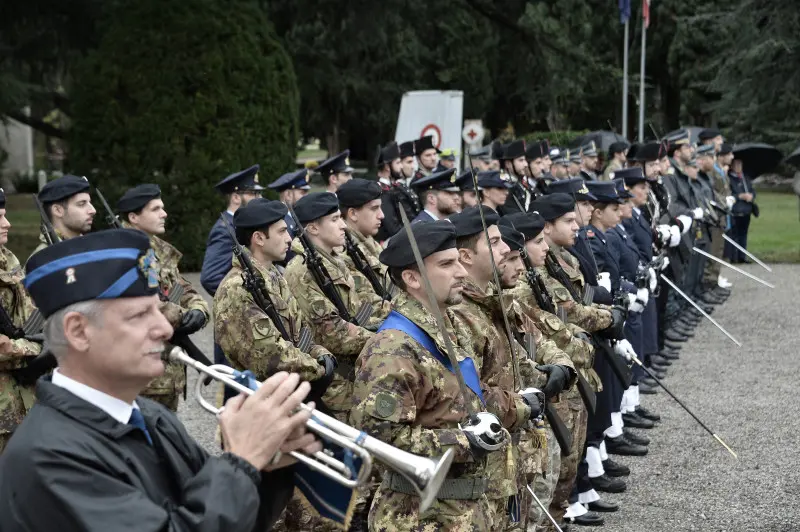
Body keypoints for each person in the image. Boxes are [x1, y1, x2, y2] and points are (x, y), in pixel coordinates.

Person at [0, 228, 318, 531]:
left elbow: (220, 515)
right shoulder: (47, 457)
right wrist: (242, 461)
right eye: (139, 315)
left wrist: (266, 468)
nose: (165, 330)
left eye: (158, 310)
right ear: (79, 331)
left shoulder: (152, 417)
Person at [349, 220, 503, 531]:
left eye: (459, 261)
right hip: (419, 516)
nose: (461, 272)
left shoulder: (448, 327)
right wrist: (464, 442)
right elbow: (380, 442)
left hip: (462, 510)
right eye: (447, 264)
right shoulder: (392, 349)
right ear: (412, 278)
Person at [448, 206, 573, 531]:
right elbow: (472, 392)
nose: (505, 250)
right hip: (494, 451)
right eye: (494, 242)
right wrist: (525, 398)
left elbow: (529, 347)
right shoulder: (461, 314)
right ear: (466, 256)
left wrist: (554, 369)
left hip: (520, 438)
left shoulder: (494, 300)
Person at [117, 184, 210, 411]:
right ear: (133, 217)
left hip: (167, 373)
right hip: (141, 375)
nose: (164, 214)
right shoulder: (121, 253)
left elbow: (182, 289)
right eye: (156, 209)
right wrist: (183, 315)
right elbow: (146, 306)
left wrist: (198, 309)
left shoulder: (159, 250)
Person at [284, 192, 374, 422]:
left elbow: (357, 309)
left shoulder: (334, 260)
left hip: (355, 369)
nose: (344, 225)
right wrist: (381, 339)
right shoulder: (302, 271)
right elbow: (330, 333)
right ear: (313, 229)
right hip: (335, 382)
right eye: (335, 219)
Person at [0, 188, 42, 453]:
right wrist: (37, 349)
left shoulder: (8, 259)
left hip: (21, 402)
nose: (8, 223)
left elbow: (30, 316)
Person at [200, 164, 265, 296]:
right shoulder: (224, 230)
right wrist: (243, 298)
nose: (260, 198)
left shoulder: (241, 226)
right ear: (236, 197)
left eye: (259, 193)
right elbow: (210, 278)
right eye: (254, 193)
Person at [337, 178, 393, 320]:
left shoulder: (369, 242)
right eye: (374, 208)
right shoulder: (344, 252)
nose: (382, 215)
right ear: (353, 214)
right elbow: (367, 309)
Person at [31, 174, 96, 258]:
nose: (93, 210)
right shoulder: (43, 258)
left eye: (89, 202)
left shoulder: (89, 247)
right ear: (58, 210)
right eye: (82, 204)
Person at [376, 141, 421, 242]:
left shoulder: (393, 188)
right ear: (387, 167)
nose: (401, 166)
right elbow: (393, 228)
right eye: (397, 163)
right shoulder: (382, 192)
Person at [725, 156, 758, 263]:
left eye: (740, 164)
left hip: (746, 210)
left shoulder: (745, 178)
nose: (738, 167)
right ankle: (733, 256)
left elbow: (752, 190)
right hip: (735, 210)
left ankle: (742, 256)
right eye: (736, 164)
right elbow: (729, 194)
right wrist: (740, 196)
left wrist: (751, 196)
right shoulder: (729, 178)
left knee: (743, 234)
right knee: (734, 234)